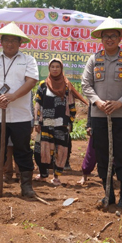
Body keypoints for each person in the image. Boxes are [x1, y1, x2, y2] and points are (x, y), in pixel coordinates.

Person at [81, 17, 122, 210]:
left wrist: (120, 103)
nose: (109, 39)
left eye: (113, 36)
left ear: (119, 38)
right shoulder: (94, 59)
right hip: (99, 117)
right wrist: (97, 102)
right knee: (103, 156)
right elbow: (86, 84)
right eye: (106, 36)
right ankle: (108, 195)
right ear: (101, 38)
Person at [0, 22, 39, 197]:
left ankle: (26, 187)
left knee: (23, 150)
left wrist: (14, 96)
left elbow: (31, 81)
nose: (10, 43)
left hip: (21, 115)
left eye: (14, 40)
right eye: (7, 40)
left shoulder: (28, 60)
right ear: (1, 41)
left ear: (20, 43)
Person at [34, 58, 80, 186]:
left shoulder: (66, 86)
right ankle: (43, 174)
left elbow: (71, 104)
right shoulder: (43, 85)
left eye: (57, 67)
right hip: (45, 123)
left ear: (61, 69)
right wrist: (37, 121)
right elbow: (38, 104)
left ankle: (56, 177)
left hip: (62, 124)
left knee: (61, 151)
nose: (55, 69)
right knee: (41, 150)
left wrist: (70, 121)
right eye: (52, 66)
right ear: (49, 69)